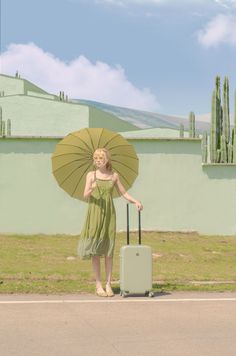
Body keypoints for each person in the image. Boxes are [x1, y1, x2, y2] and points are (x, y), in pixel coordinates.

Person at [78, 148, 143, 297]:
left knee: (108, 251)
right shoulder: (91, 175)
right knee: (95, 251)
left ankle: (108, 284)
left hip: (109, 214)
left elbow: (123, 193)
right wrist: (92, 188)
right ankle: (98, 284)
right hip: (94, 213)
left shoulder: (114, 176)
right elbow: (85, 195)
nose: (98, 160)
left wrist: (136, 201)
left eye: (101, 158)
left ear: (107, 159)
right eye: (96, 158)